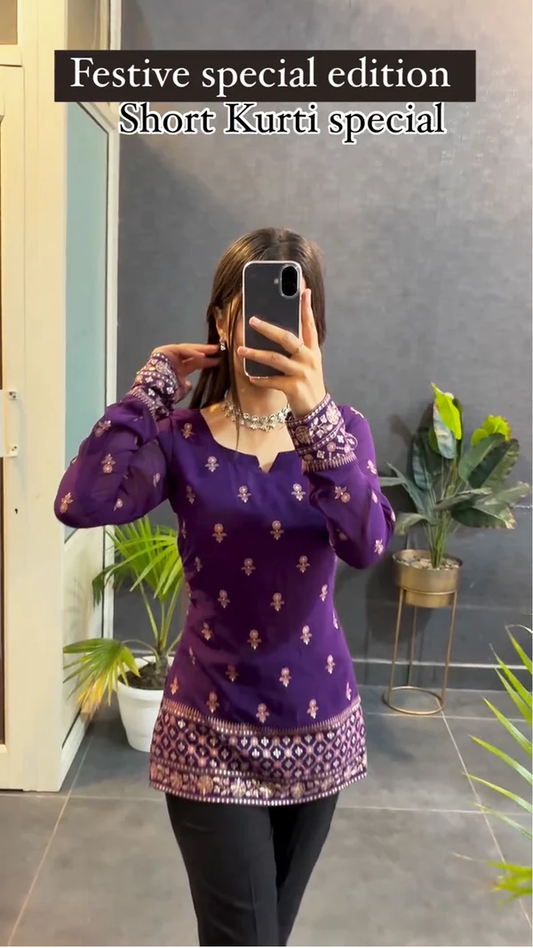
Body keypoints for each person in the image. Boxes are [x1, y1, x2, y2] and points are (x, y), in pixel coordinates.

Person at [55, 227, 395, 947]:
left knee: (266, 936)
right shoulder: (181, 438)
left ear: (314, 324)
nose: (273, 327)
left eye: (292, 311)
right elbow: (81, 502)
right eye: (257, 307)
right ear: (222, 317)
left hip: (318, 727)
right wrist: (149, 390)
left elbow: (366, 544)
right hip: (209, 729)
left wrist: (312, 416)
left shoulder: (344, 434)